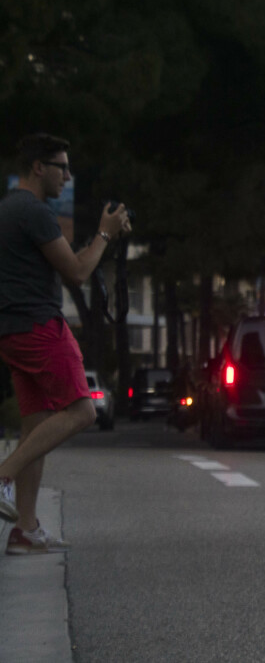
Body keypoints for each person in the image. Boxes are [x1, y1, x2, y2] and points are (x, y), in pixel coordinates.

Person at [0, 134, 131, 554]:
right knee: (83, 410)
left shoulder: (8, 210)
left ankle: (25, 529)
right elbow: (77, 272)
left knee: (36, 424)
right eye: (62, 167)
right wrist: (105, 235)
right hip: (40, 328)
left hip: (12, 330)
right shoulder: (34, 212)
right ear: (39, 167)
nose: (68, 176)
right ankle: (3, 475)